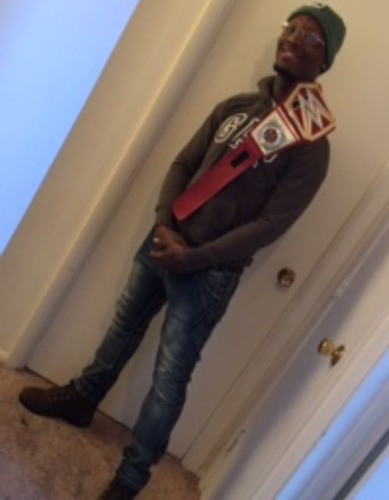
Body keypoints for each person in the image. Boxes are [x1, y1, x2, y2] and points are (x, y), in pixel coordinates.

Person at [19, 3, 346, 499]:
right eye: (292, 27)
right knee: (123, 327)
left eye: (312, 38)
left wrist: (193, 257)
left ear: (325, 61)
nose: (295, 39)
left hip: (209, 274)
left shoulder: (311, 146)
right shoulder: (235, 107)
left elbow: (270, 225)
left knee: (169, 379)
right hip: (163, 240)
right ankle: (83, 398)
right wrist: (162, 224)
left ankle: (132, 478)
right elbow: (183, 163)